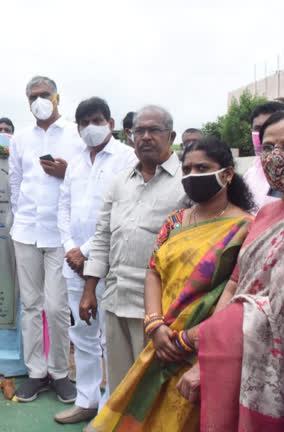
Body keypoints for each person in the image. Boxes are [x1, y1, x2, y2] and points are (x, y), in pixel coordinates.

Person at [86, 137, 254, 431]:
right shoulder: (175, 221)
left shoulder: (245, 227)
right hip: (162, 339)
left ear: (227, 174)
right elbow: (154, 271)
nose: (192, 175)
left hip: (205, 347)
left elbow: (237, 291)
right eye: (187, 169)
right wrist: (155, 324)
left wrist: (195, 338)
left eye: (202, 167)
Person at [196, 109, 284, 431]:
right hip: (235, 354)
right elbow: (235, 286)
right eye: (269, 148)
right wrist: (214, 342)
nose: (276, 157)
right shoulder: (266, 213)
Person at [79, 105, 188, 397]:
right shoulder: (119, 182)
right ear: (131, 137)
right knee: (120, 388)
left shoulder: (186, 183)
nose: (146, 137)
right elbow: (102, 237)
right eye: (139, 131)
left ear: (171, 136)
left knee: (153, 391)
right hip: (115, 300)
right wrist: (90, 289)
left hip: (160, 310)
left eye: (155, 130)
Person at [54, 98, 137, 424]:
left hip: (109, 260)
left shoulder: (125, 158)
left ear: (111, 123)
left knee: (110, 338)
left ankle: (109, 409)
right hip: (73, 262)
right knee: (82, 335)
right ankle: (86, 400)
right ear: (78, 128)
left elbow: (122, 209)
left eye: (97, 120)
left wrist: (85, 249)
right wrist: (70, 246)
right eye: (84, 122)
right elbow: (63, 208)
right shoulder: (74, 161)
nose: (91, 127)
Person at [8, 75, 84, 403]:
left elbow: (86, 179)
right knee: (30, 305)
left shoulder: (75, 135)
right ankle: (36, 373)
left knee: (56, 306)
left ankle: (61, 373)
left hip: (60, 234)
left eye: (44, 95)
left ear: (57, 98)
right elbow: (15, 180)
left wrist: (67, 173)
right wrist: (20, 214)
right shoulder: (21, 138)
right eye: (33, 96)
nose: (39, 100)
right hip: (25, 230)